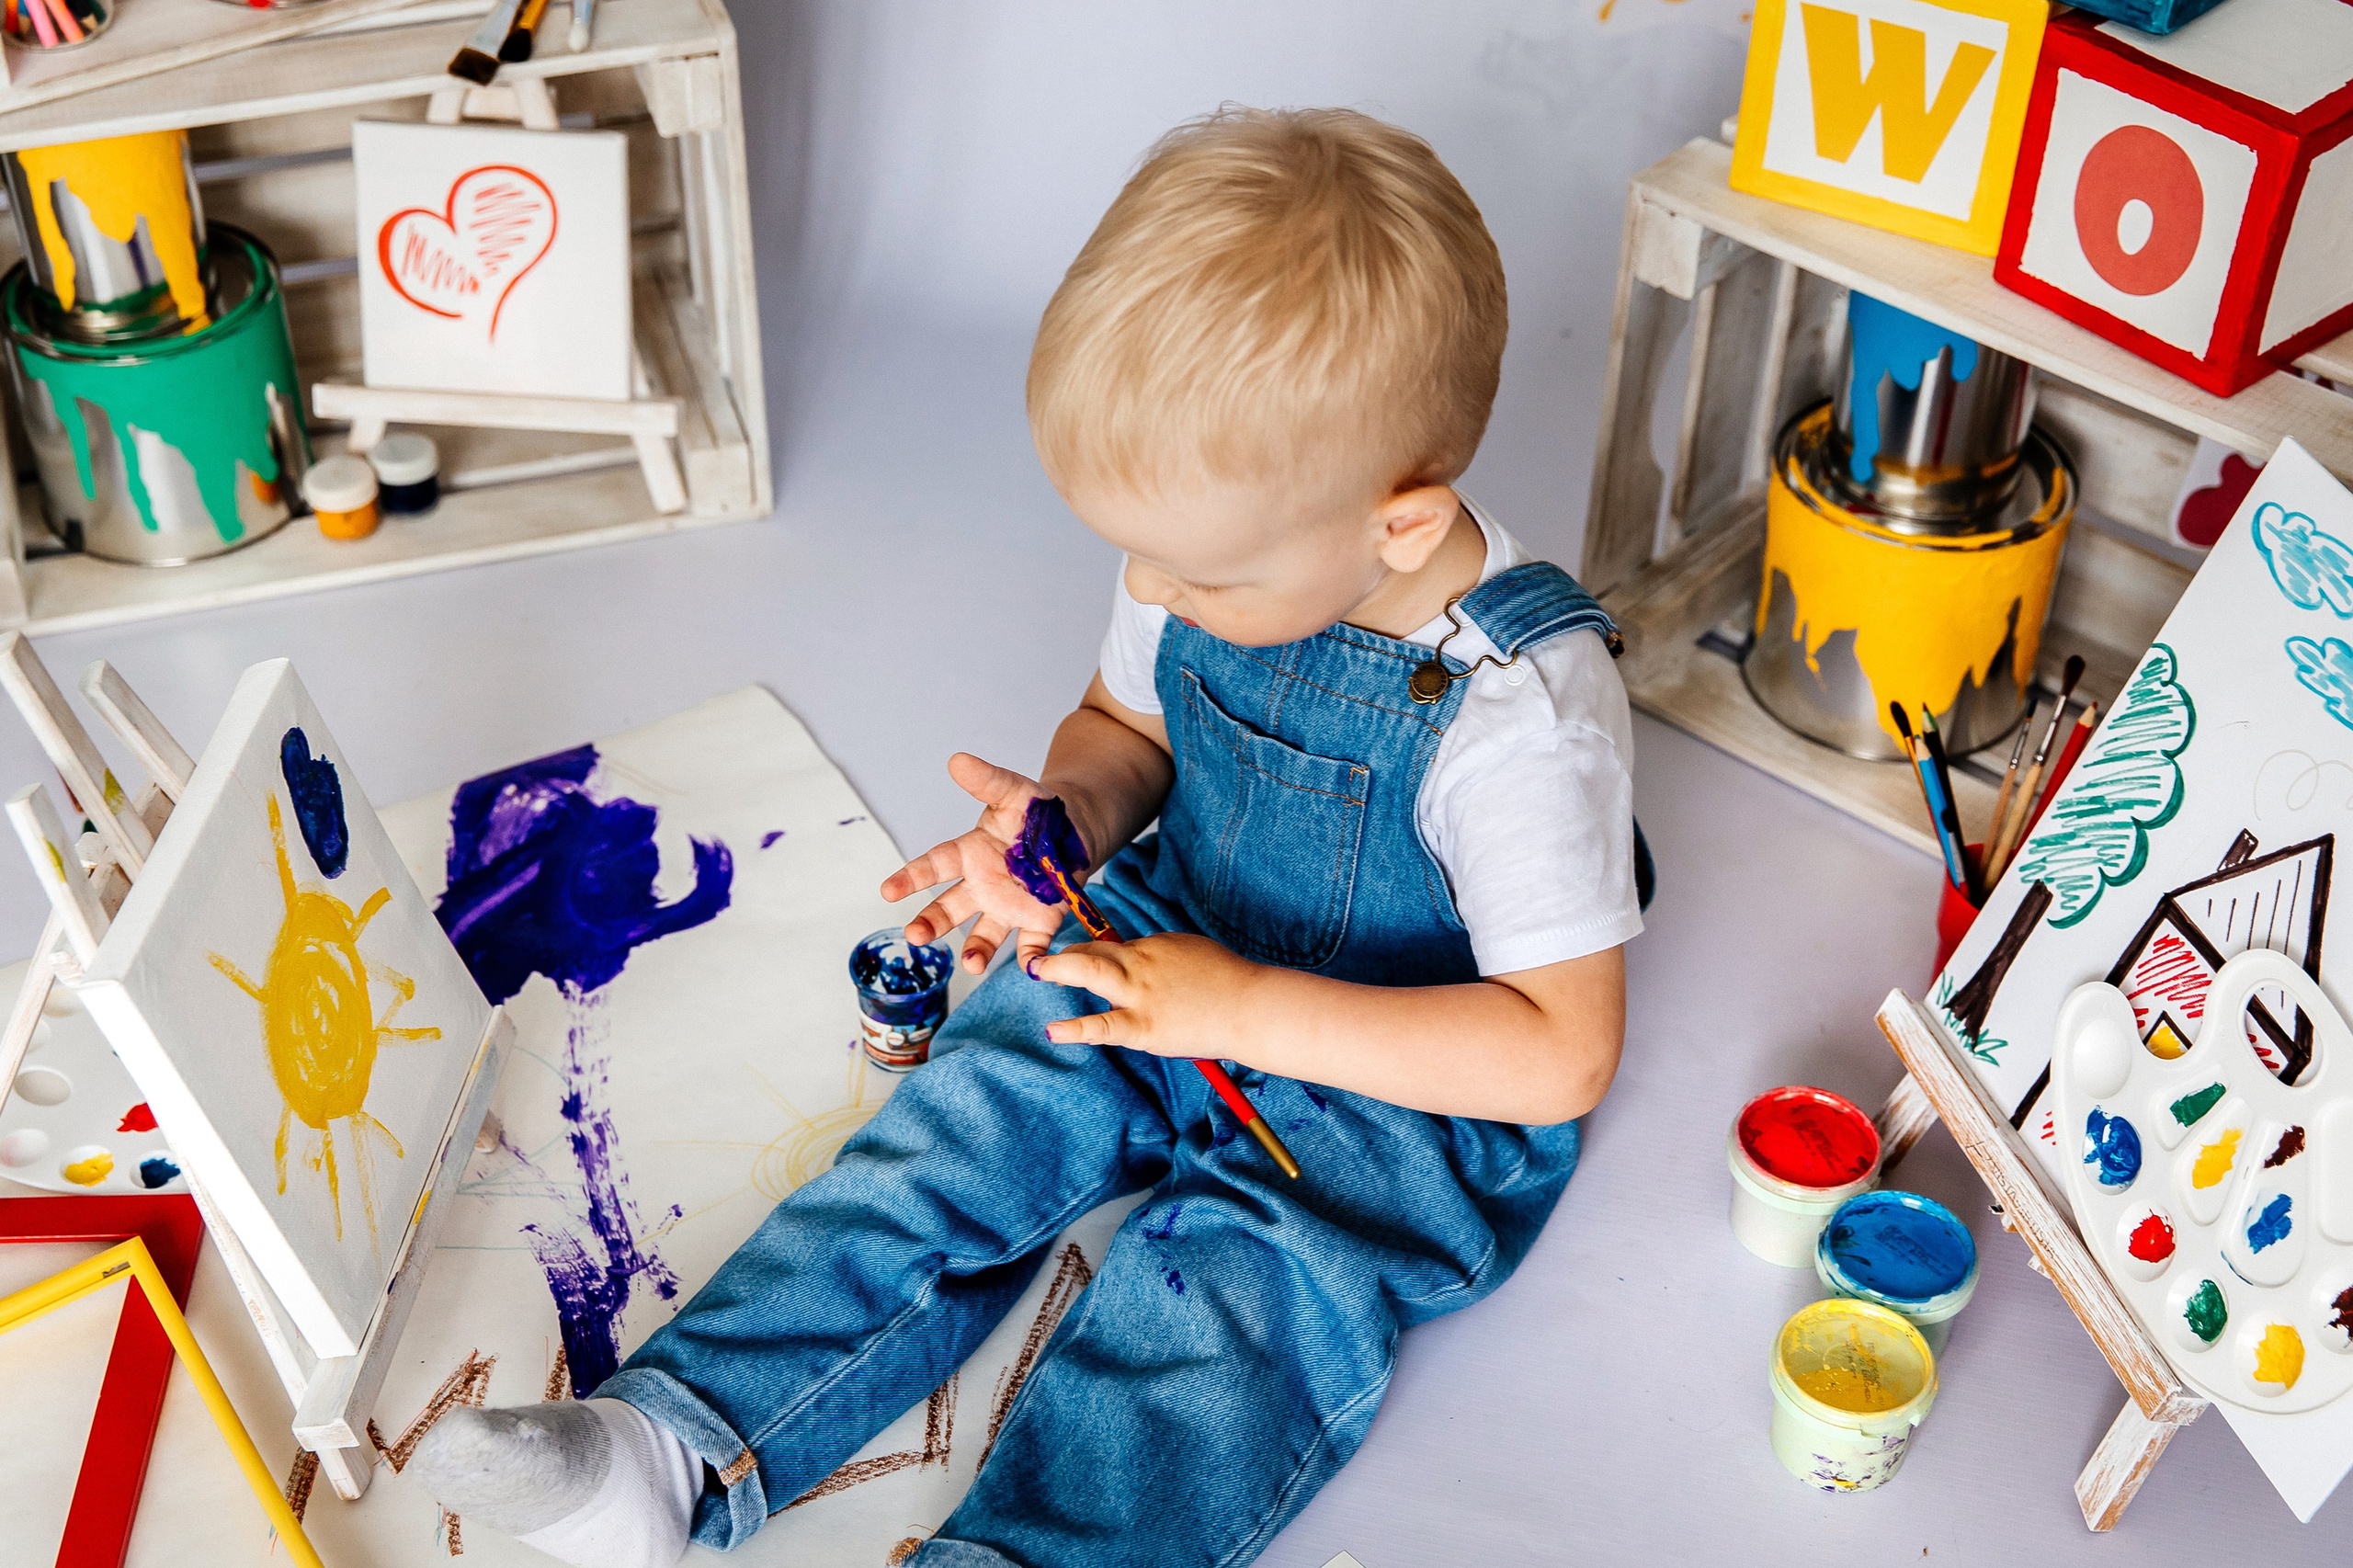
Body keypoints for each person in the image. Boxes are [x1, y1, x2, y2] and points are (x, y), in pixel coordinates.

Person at [414, 104, 1643, 1568]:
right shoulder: (1212, 549)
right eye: (1138, 555)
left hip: (1394, 1089)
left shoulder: (1523, 713)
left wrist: (1239, 1008)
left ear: (1399, 524)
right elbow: (1124, 732)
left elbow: (1559, 1051)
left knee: (1225, 1314)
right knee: (964, 1122)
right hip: (1172, 944)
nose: (1155, 592)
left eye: (1195, 573)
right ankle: (669, 1442)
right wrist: (1063, 821)